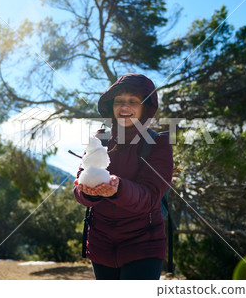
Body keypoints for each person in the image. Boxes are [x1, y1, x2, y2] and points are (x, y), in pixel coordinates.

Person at [73, 74, 174, 280]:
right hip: (100, 245)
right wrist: (88, 193)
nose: (124, 107)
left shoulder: (159, 144)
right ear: (111, 105)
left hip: (144, 245)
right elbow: (80, 185)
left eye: (133, 101)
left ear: (145, 107)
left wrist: (118, 189)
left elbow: (150, 196)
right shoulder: (99, 138)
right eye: (119, 101)